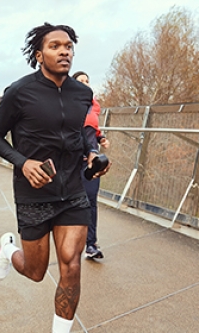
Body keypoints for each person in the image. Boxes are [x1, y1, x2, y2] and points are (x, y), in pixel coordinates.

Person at [0, 23, 111, 333]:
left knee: (71, 265)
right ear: (40, 55)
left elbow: (81, 134)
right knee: (35, 271)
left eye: (68, 46)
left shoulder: (82, 93)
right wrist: (22, 162)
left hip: (71, 189)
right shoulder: (19, 92)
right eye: (55, 46)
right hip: (34, 192)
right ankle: (7, 249)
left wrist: (93, 153)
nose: (64, 50)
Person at [72, 71, 111, 259]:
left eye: (87, 81)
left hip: (90, 161)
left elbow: (93, 129)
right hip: (71, 161)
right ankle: (70, 240)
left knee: (91, 201)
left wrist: (101, 138)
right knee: (71, 202)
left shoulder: (94, 107)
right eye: (81, 81)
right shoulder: (67, 105)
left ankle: (90, 244)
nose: (85, 84)